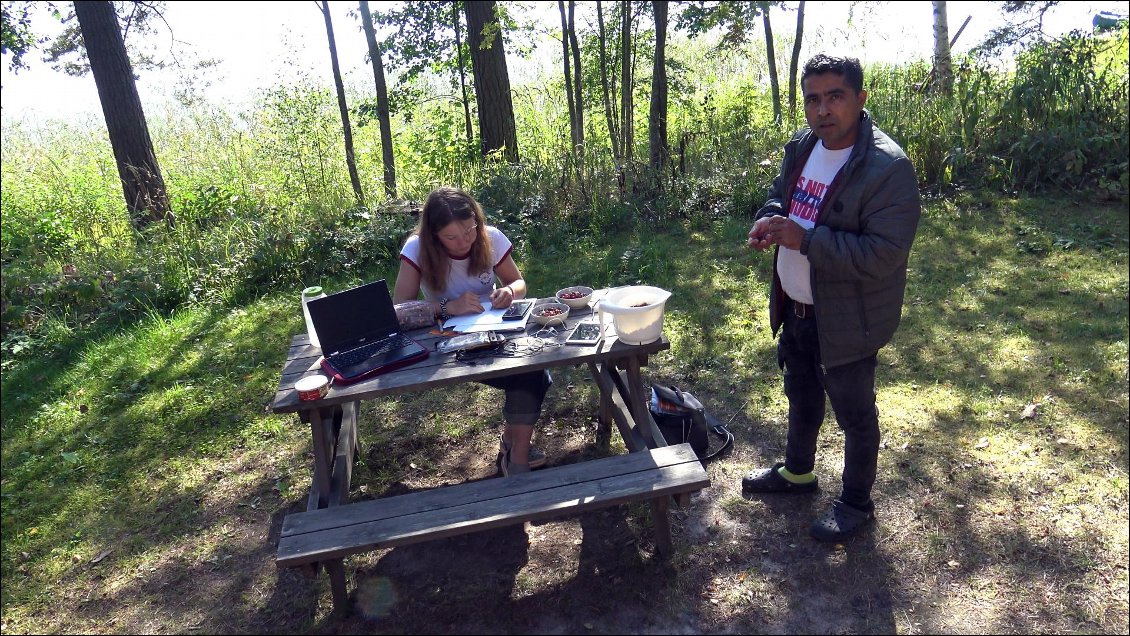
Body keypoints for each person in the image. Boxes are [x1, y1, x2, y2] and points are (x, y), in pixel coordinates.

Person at [742, 54, 922, 541]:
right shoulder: (803, 146)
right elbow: (783, 196)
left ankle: (857, 504)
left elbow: (883, 254)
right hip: (795, 306)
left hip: (847, 319)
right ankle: (798, 473)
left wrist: (804, 240)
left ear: (861, 99)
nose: (823, 110)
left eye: (835, 96)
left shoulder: (888, 168)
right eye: (813, 99)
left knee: (855, 414)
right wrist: (770, 218)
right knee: (801, 395)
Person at [394, 186, 552, 476]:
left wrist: (507, 291)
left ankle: (514, 450)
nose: (463, 241)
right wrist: (447, 307)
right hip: (446, 342)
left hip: (495, 330)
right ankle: (515, 453)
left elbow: (519, 283)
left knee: (533, 370)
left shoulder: (489, 237)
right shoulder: (417, 248)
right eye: (451, 237)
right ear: (433, 235)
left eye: (469, 231)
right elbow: (400, 308)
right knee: (535, 375)